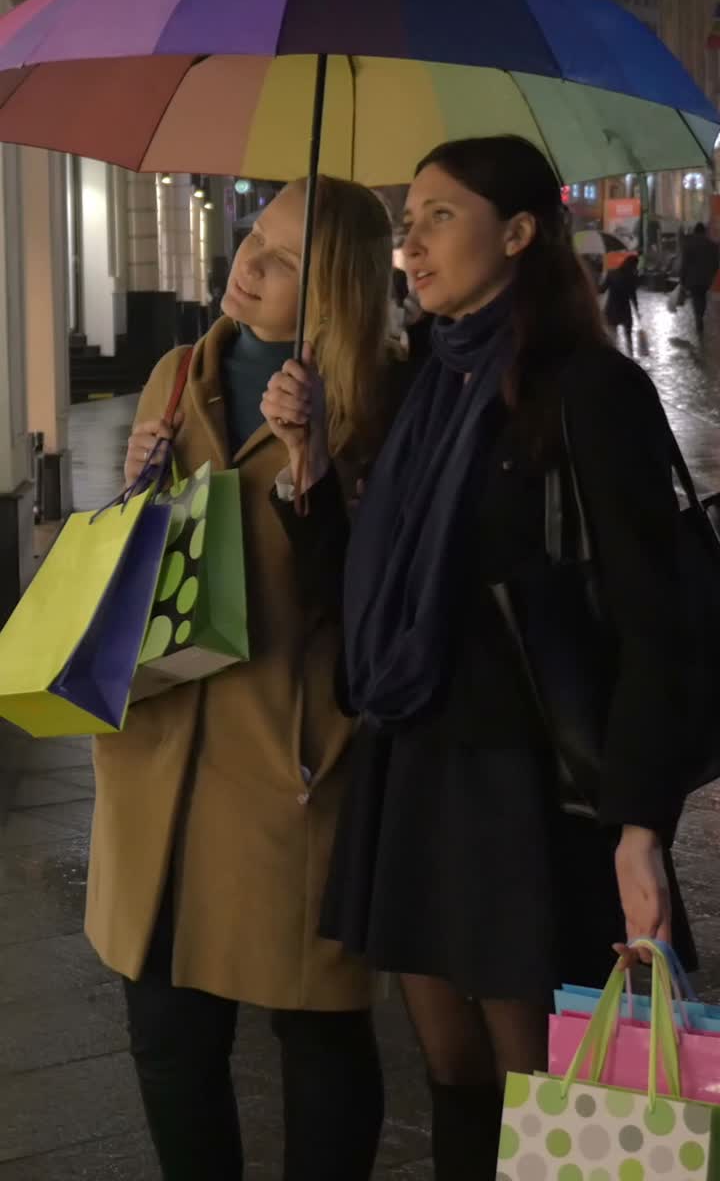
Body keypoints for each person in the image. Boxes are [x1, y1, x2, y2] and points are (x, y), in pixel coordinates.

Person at [263, 136, 696, 1181]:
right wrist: (309, 469)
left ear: (518, 231)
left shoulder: (588, 389)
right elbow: (362, 595)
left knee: (554, 1092)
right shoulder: (417, 387)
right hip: (417, 765)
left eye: (438, 216)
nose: (409, 243)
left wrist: (641, 825)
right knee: (454, 1073)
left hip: (531, 788)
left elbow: (664, 623)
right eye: (405, 220)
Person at [85, 176, 395, 1181]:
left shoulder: (380, 400)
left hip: (287, 766)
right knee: (169, 1037)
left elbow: (373, 608)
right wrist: (138, 485)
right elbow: (139, 564)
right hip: (161, 754)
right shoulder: (180, 371)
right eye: (253, 237)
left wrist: (313, 464)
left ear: (337, 291)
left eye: (286, 261)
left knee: (317, 1027)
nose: (248, 264)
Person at [681, 222, 719, 339]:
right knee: (702, 297)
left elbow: (684, 264)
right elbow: (716, 263)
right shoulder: (712, 245)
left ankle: (698, 316)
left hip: (692, 279)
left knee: (696, 297)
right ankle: (700, 315)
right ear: (704, 232)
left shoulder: (688, 244)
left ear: (695, 231)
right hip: (706, 279)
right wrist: (711, 275)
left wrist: (682, 279)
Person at [600, 252, 640, 354]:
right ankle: (631, 357)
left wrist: (599, 279)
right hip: (625, 310)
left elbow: (601, 289)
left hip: (611, 309)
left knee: (613, 338)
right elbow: (633, 296)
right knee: (628, 336)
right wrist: (637, 311)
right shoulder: (632, 277)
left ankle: (614, 358)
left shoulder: (611, 273)